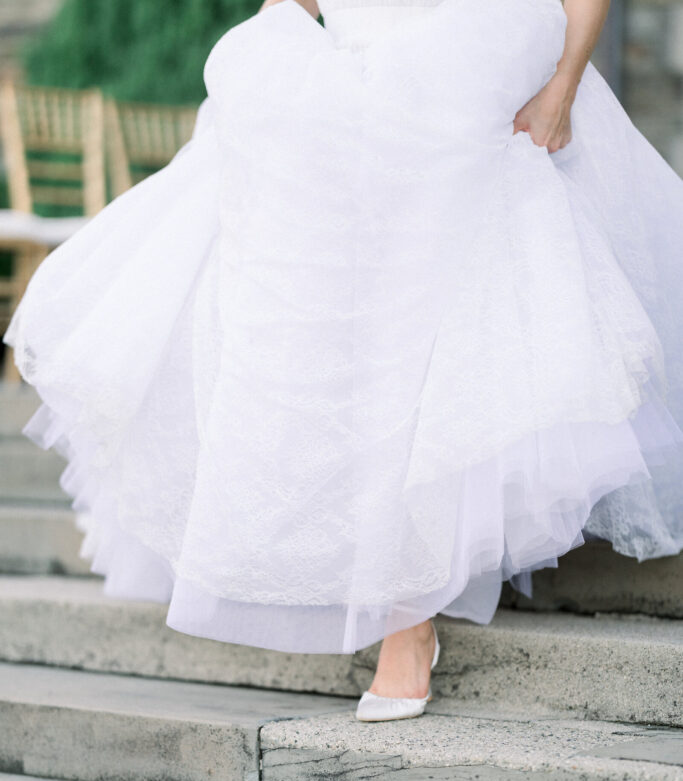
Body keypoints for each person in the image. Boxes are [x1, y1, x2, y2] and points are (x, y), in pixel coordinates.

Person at [6, 0, 683, 723]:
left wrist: (562, 86)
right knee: (305, 302)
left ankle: (404, 609)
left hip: (472, 62)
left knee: (422, 291)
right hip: (345, 78)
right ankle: (359, 562)